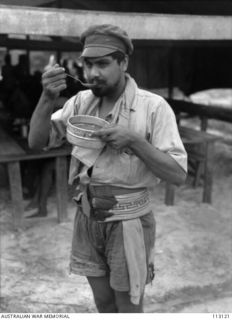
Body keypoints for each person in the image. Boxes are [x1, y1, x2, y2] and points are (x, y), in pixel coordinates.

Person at [28, 24, 187, 313]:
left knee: (127, 307)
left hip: (129, 222)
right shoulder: (80, 103)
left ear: (123, 62)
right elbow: (36, 143)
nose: (92, 73)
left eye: (102, 64)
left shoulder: (153, 108)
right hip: (87, 218)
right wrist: (47, 97)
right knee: (103, 303)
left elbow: (177, 174)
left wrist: (135, 141)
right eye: (87, 64)